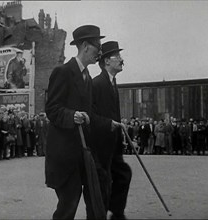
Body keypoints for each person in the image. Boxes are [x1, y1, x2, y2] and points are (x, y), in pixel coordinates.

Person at [45, 25, 105, 219]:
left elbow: (90, 114)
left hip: (83, 153)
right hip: (65, 155)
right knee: (68, 205)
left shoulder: (87, 77)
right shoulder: (62, 72)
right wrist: (72, 116)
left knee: (93, 198)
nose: (100, 52)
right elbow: (52, 109)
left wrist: (109, 124)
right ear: (86, 46)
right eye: (98, 46)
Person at [91, 41, 132, 219]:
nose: (121, 60)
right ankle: (103, 213)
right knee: (102, 184)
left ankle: (116, 212)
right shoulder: (97, 84)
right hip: (100, 146)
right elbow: (89, 115)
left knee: (124, 174)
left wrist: (119, 134)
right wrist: (109, 124)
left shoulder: (113, 83)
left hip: (113, 144)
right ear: (107, 61)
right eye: (117, 57)